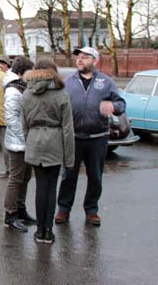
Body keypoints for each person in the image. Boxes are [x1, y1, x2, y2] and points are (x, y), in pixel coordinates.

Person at [55, 47, 126, 227]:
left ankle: (91, 210)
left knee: (95, 176)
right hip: (74, 137)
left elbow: (121, 103)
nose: (80, 60)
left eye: (85, 57)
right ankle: (63, 208)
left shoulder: (106, 82)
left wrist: (113, 106)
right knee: (68, 175)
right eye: (78, 57)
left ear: (95, 61)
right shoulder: (68, 82)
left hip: (97, 137)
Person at [21, 59, 75, 244]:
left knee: (40, 187)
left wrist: (30, 142)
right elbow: (68, 129)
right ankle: (48, 231)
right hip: (54, 141)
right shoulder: (61, 94)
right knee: (51, 187)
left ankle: (39, 230)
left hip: (35, 140)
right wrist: (70, 158)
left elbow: (24, 125)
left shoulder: (27, 93)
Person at [2, 56, 35, 232]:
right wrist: (25, 138)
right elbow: (11, 119)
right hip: (17, 143)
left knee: (26, 177)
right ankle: (10, 214)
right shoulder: (13, 91)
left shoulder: (22, 87)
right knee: (15, 179)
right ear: (21, 73)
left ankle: (21, 210)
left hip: (25, 142)